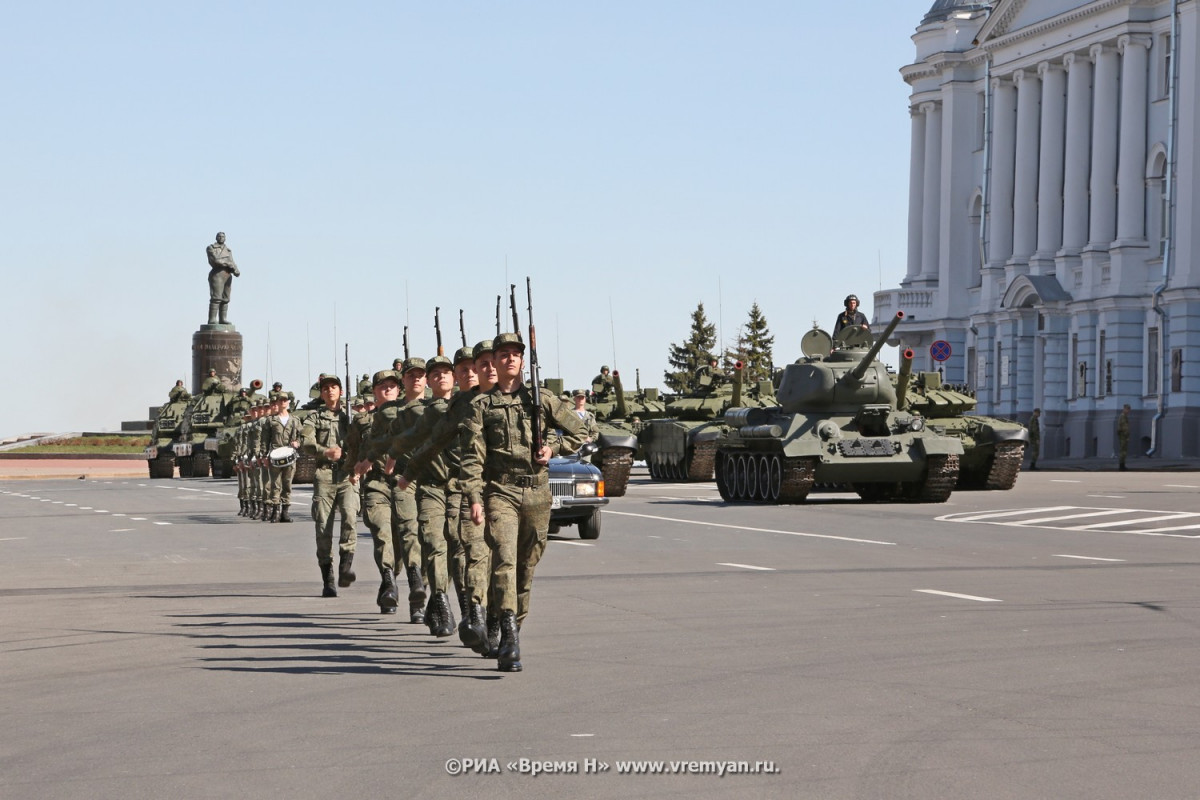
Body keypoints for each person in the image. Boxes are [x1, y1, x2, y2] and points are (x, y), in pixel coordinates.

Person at [461, 332, 588, 672]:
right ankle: (509, 634)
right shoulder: (481, 407)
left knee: (526, 565)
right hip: (499, 491)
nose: (510, 359)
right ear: (495, 362)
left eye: (516, 354)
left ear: (522, 360)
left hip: (537, 492)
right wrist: (474, 497)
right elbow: (472, 459)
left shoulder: (540, 399)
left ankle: (511, 625)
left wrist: (553, 448)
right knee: (504, 558)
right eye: (503, 355)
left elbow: (579, 432)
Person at [300, 374, 359, 598]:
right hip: (324, 475)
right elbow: (306, 443)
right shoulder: (314, 417)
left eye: (334, 387)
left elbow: (363, 441)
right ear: (322, 393)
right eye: (326, 388)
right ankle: (329, 578)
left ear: (341, 392)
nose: (330, 391)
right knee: (323, 527)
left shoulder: (350, 417)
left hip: (347, 475)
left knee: (350, 518)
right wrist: (326, 452)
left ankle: (346, 566)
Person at [264, 392, 302, 523]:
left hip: (290, 455)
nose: (283, 402)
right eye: (281, 400)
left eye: (285, 400)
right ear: (278, 402)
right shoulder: (271, 420)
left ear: (288, 402)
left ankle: (285, 512)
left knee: (287, 484)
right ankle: (275, 511)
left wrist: (298, 443)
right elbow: (265, 439)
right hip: (275, 454)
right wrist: (264, 455)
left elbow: (301, 436)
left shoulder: (295, 420)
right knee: (275, 484)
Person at [205, 231, 241, 325]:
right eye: (219, 236)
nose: (221, 238)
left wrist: (236, 269)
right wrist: (228, 264)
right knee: (216, 297)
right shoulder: (211, 248)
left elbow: (232, 261)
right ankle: (212, 319)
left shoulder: (228, 250)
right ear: (216, 238)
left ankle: (222, 319)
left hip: (228, 275)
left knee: (226, 298)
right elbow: (215, 260)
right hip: (217, 274)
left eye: (223, 236)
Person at [1117, 404, 1131, 471]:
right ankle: (1121, 466)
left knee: (1123, 451)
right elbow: (1125, 427)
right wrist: (1127, 435)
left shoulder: (1124, 416)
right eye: (1127, 409)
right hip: (1123, 435)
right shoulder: (1123, 416)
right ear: (1124, 409)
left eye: (1129, 409)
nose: (1128, 411)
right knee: (1123, 451)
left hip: (1123, 435)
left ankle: (1122, 465)